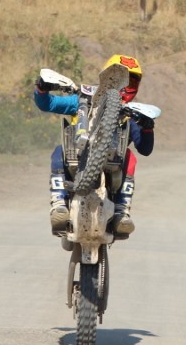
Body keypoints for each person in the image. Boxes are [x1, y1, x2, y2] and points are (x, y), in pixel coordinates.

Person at [33, 54, 155, 236]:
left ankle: (122, 211)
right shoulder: (83, 99)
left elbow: (145, 149)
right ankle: (59, 203)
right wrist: (42, 88)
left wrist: (147, 127)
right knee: (59, 151)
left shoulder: (131, 114)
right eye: (119, 79)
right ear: (106, 77)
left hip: (114, 161)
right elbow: (47, 103)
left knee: (131, 158)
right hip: (76, 154)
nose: (124, 86)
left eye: (131, 82)